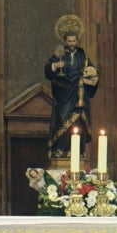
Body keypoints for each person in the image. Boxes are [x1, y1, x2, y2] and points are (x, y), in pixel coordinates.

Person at [44, 23, 99, 159]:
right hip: (64, 95)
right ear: (65, 41)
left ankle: (77, 152)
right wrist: (56, 65)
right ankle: (61, 151)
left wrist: (92, 73)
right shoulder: (60, 53)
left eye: (74, 41)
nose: (72, 44)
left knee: (78, 124)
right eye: (69, 41)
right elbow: (48, 70)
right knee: (63, 123)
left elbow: (92, 70)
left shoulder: (82, 54)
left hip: (79, 96)